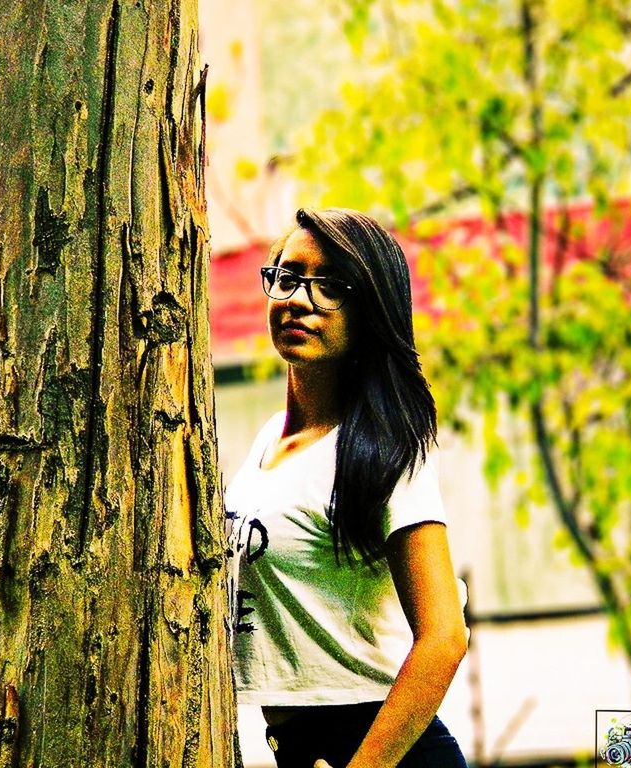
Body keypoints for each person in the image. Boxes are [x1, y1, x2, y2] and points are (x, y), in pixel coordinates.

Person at [225, 208, 469, 768]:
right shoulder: (268, 443)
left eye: (330, 286)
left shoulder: (387, 452)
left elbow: (444, 637)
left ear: (368, 310)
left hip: (381, 749)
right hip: (297, 747)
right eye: (287, 277)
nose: (298, 299)